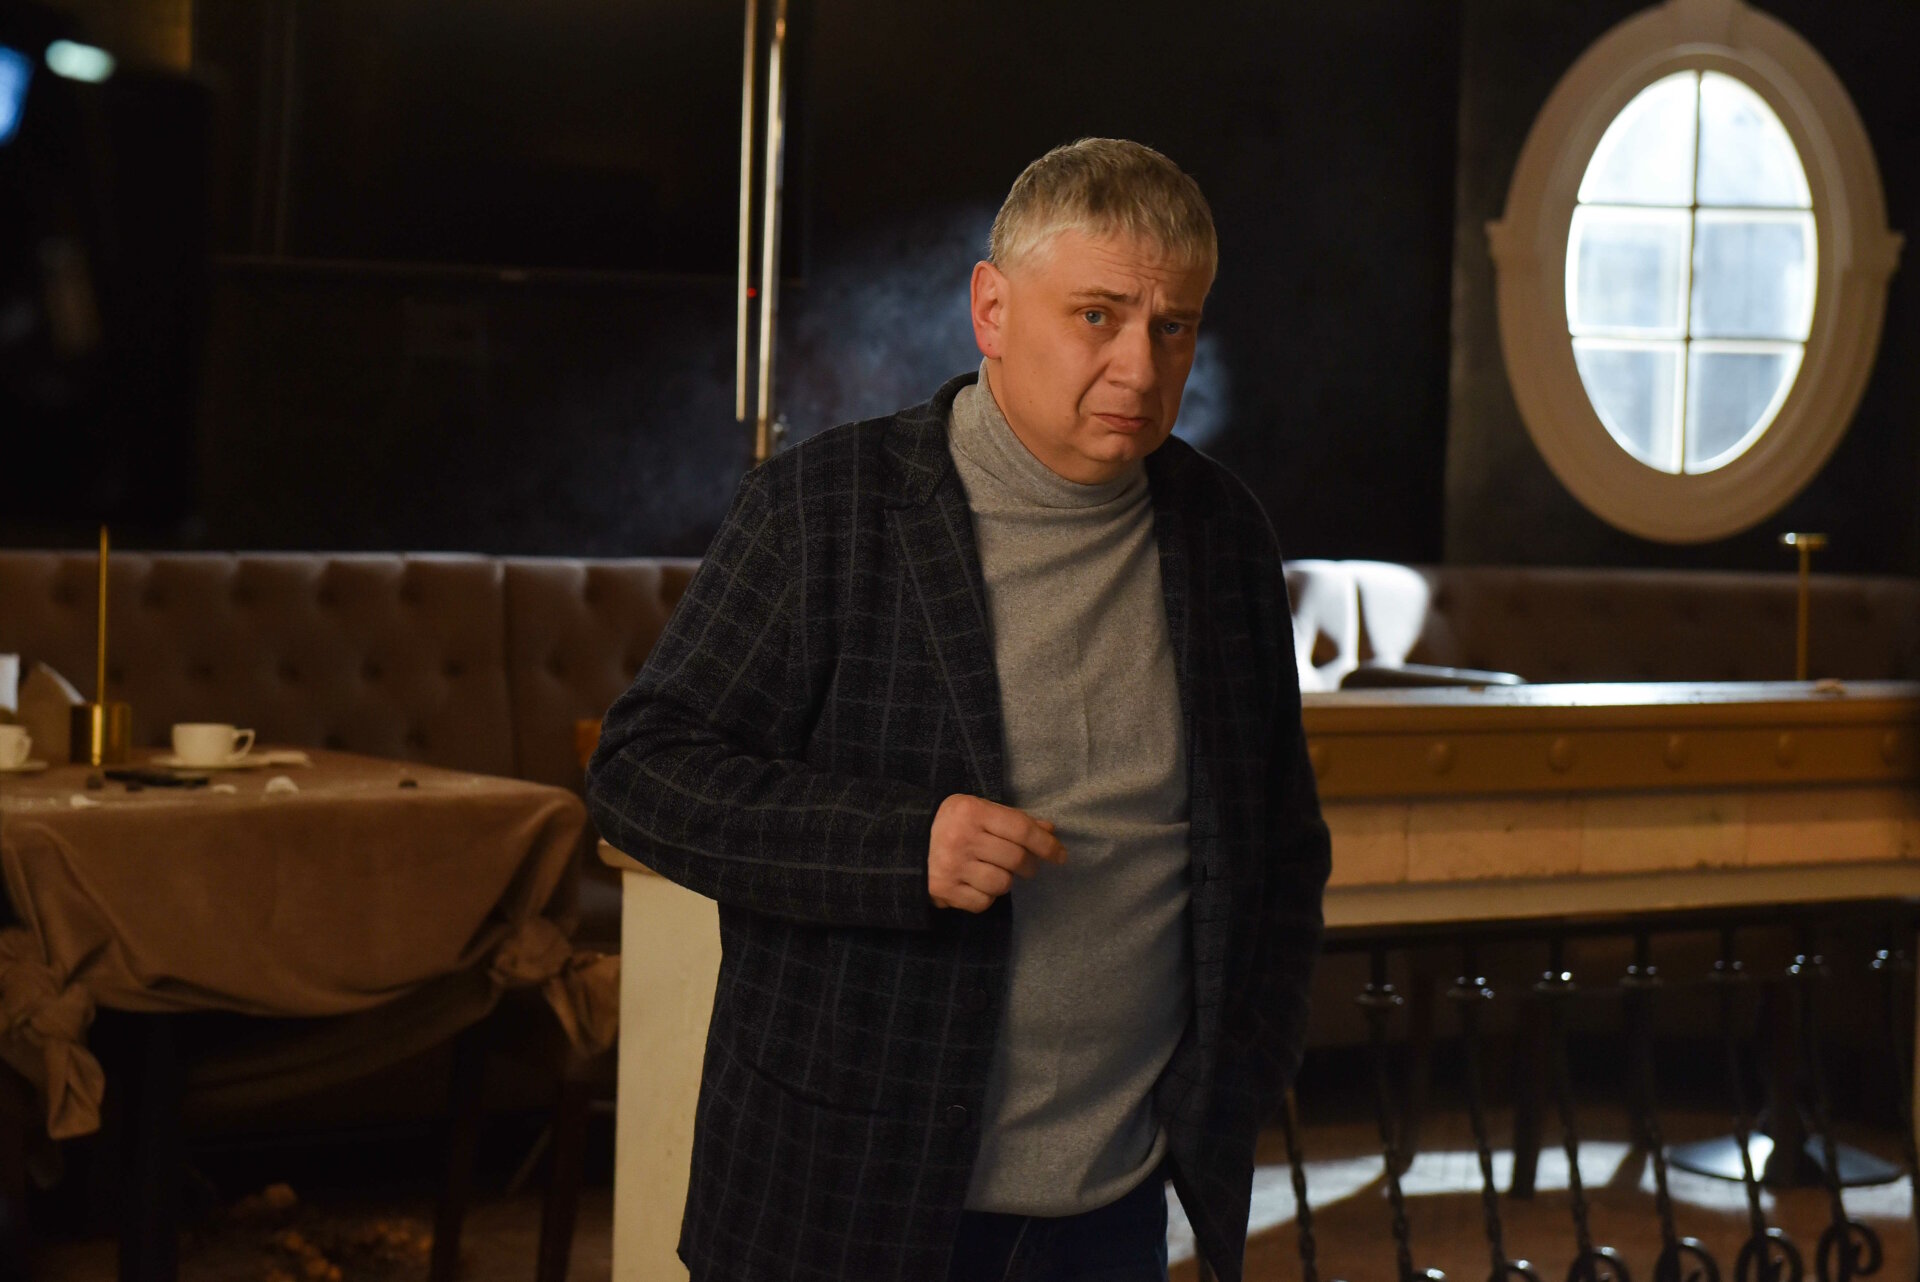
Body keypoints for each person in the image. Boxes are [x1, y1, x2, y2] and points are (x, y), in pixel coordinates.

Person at [586, 137, 1331, 1282]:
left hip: (1112, 1206)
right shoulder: (825, 507)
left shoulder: (1223, 535)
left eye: (1172, 326)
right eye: (1097, 316)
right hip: (839, 1193)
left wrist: (1240, 1072)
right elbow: (640, 770)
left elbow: (1279, 843)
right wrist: (901, 846)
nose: (1140, 365)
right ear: (992, 309)